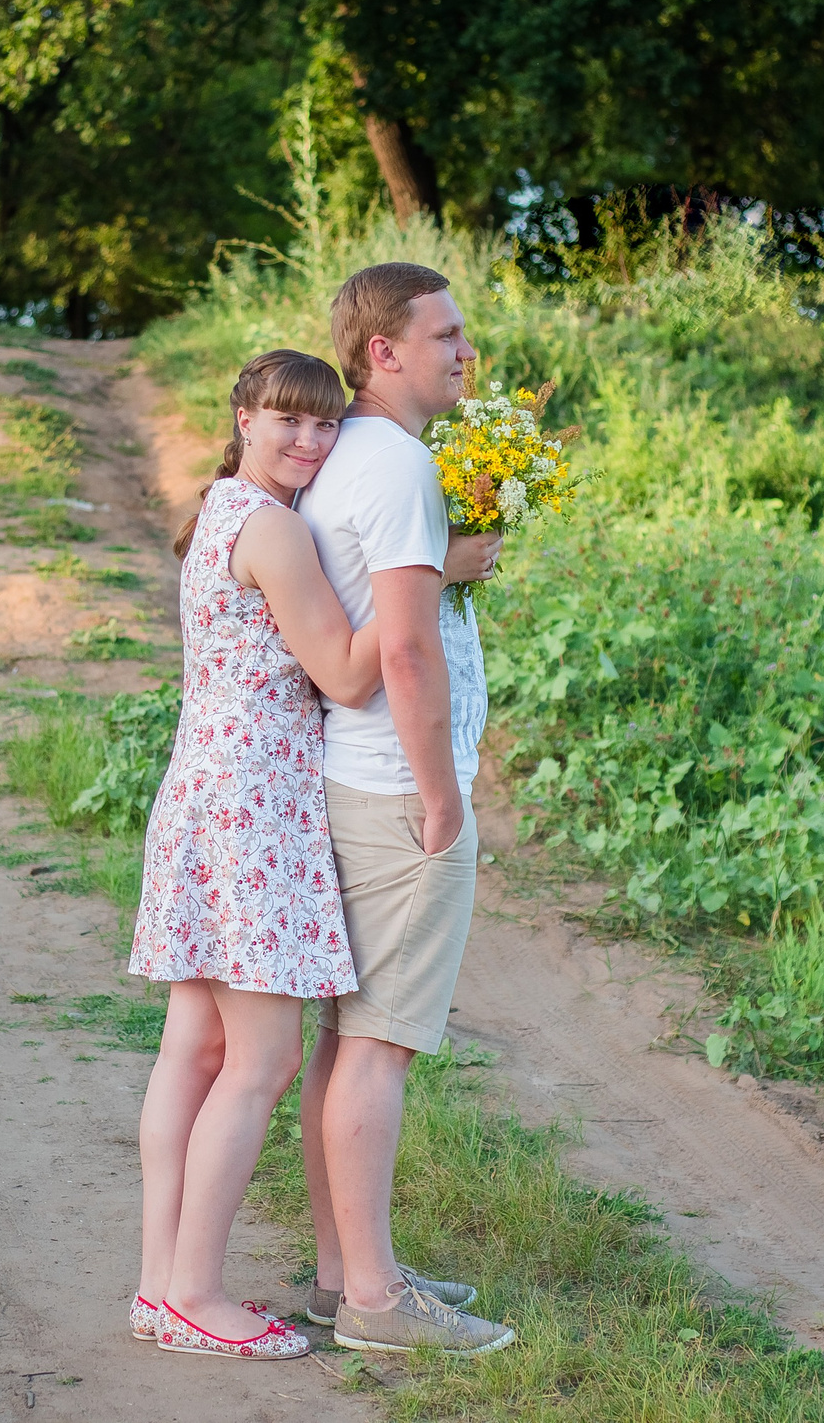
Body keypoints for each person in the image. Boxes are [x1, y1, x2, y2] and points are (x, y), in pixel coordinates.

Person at [126, 348, 491, 1359]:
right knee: (260, 1057)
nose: (307, 439)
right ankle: (197, 1293)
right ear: (242, 415)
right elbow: (339, 669)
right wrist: (423, 573)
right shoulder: (275, 527)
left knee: (193, 1048)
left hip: (206, 787)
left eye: (323, 424)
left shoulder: (219, 510)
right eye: (285, 419)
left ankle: (161, 1285)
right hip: (255, 803)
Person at [294, 263, 517, 1357]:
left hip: (357, 775)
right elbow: (410, 654)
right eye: (447, 334)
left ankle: (348, 1273)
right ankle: (379, 1302)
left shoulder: (366, 455)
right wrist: (442, 794)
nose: (465, 351)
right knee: (378, 1043)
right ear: (383, 350)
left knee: (349, 1037)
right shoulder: (395, 468)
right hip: (394, 785)